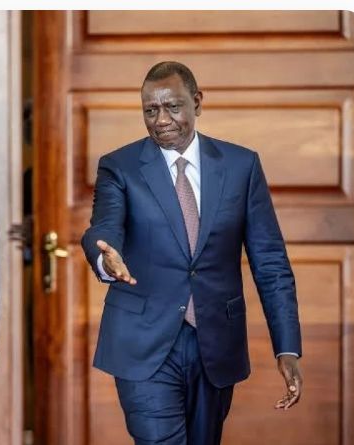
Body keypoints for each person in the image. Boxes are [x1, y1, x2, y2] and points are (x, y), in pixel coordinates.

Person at [81, 61, 302, 445]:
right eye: (151, 110)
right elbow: (104, 226)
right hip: (144, 341)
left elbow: (270, 262)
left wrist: (287, 348)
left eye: (172, 107)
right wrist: (105, 257)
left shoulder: (241, 166)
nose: (161, 120)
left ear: (197, 102)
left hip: (215, 341)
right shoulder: (120, 167)